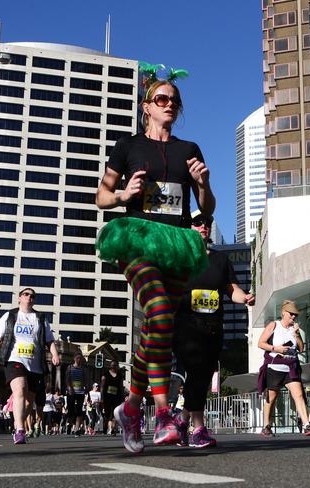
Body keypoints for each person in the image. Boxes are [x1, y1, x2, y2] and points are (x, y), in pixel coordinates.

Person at [95, 68, 215, 453]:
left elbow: (206, 209)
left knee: (157, 327)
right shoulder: (128, 146)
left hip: (178, 242)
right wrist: (124, 194)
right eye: (162, 99)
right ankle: (163, 412)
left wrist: (203, 184)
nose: (170, 105)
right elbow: (101, 196)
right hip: (138, 239)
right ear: (147, 106)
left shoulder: (189, 149)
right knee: (160, 312)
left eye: (174, 101)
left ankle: (131, 407)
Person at [172, 212, 255, 447]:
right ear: (189, 227)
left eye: (207, 223)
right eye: (198, 222)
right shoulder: (180, 257)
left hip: (214, 328)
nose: (204, 226)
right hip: (186, 326)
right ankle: (198, 429)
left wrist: (245, 298)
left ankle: (182, 419)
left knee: (204, 375)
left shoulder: (220, 260)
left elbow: (232, 289)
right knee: (196, 371)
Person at [0, 287, 61, 444]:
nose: (29, 297)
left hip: (35, 365)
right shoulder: (9, 316)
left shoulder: (40, 318)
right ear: (19, 298)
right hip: (14, 359)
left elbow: (49, 340)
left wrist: (54, 354)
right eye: (26, 294)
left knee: (28, 401)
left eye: (32, 296)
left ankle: (16, 422)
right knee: (20, 391)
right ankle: (20, 430)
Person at [258, 301, 310, 437]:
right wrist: (276, 348)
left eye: (295, 315)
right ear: (283, 313)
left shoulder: (294, 329)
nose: (293, 317)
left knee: (298, 395)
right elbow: (260, 343)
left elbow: (301, 348)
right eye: (291, 314)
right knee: (272, 397)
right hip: (274, 368)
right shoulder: (274, 325)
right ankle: (266, 426)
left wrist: (297, 335)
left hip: (290, 367)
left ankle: (306, 425)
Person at [66, 352, 89, 436]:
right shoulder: (70, 367)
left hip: (80, 392)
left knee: (79, 410)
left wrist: (86, 388)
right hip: (71, 392)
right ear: (74, 358)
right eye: (77, 358)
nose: (79, 360)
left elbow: (86, 379)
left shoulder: (83, 369)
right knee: (71, 410)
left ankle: (76, 429)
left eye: (80, 358)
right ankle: (69, 423)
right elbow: (67, 379)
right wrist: (69, 388)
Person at [100, 360, 124, 435]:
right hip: (107, 396)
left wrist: (122, 397)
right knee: (107, 413)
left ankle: (113, 429)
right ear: (110, 366)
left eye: (115, 365)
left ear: (117, 366)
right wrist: (101, 396)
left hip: (116, 397)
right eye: (112, 365)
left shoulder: (120, 375)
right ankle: (105, 426)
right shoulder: (106, 374)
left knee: (114, 413)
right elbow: (102, 386)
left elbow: (121, 386)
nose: (114, 367)